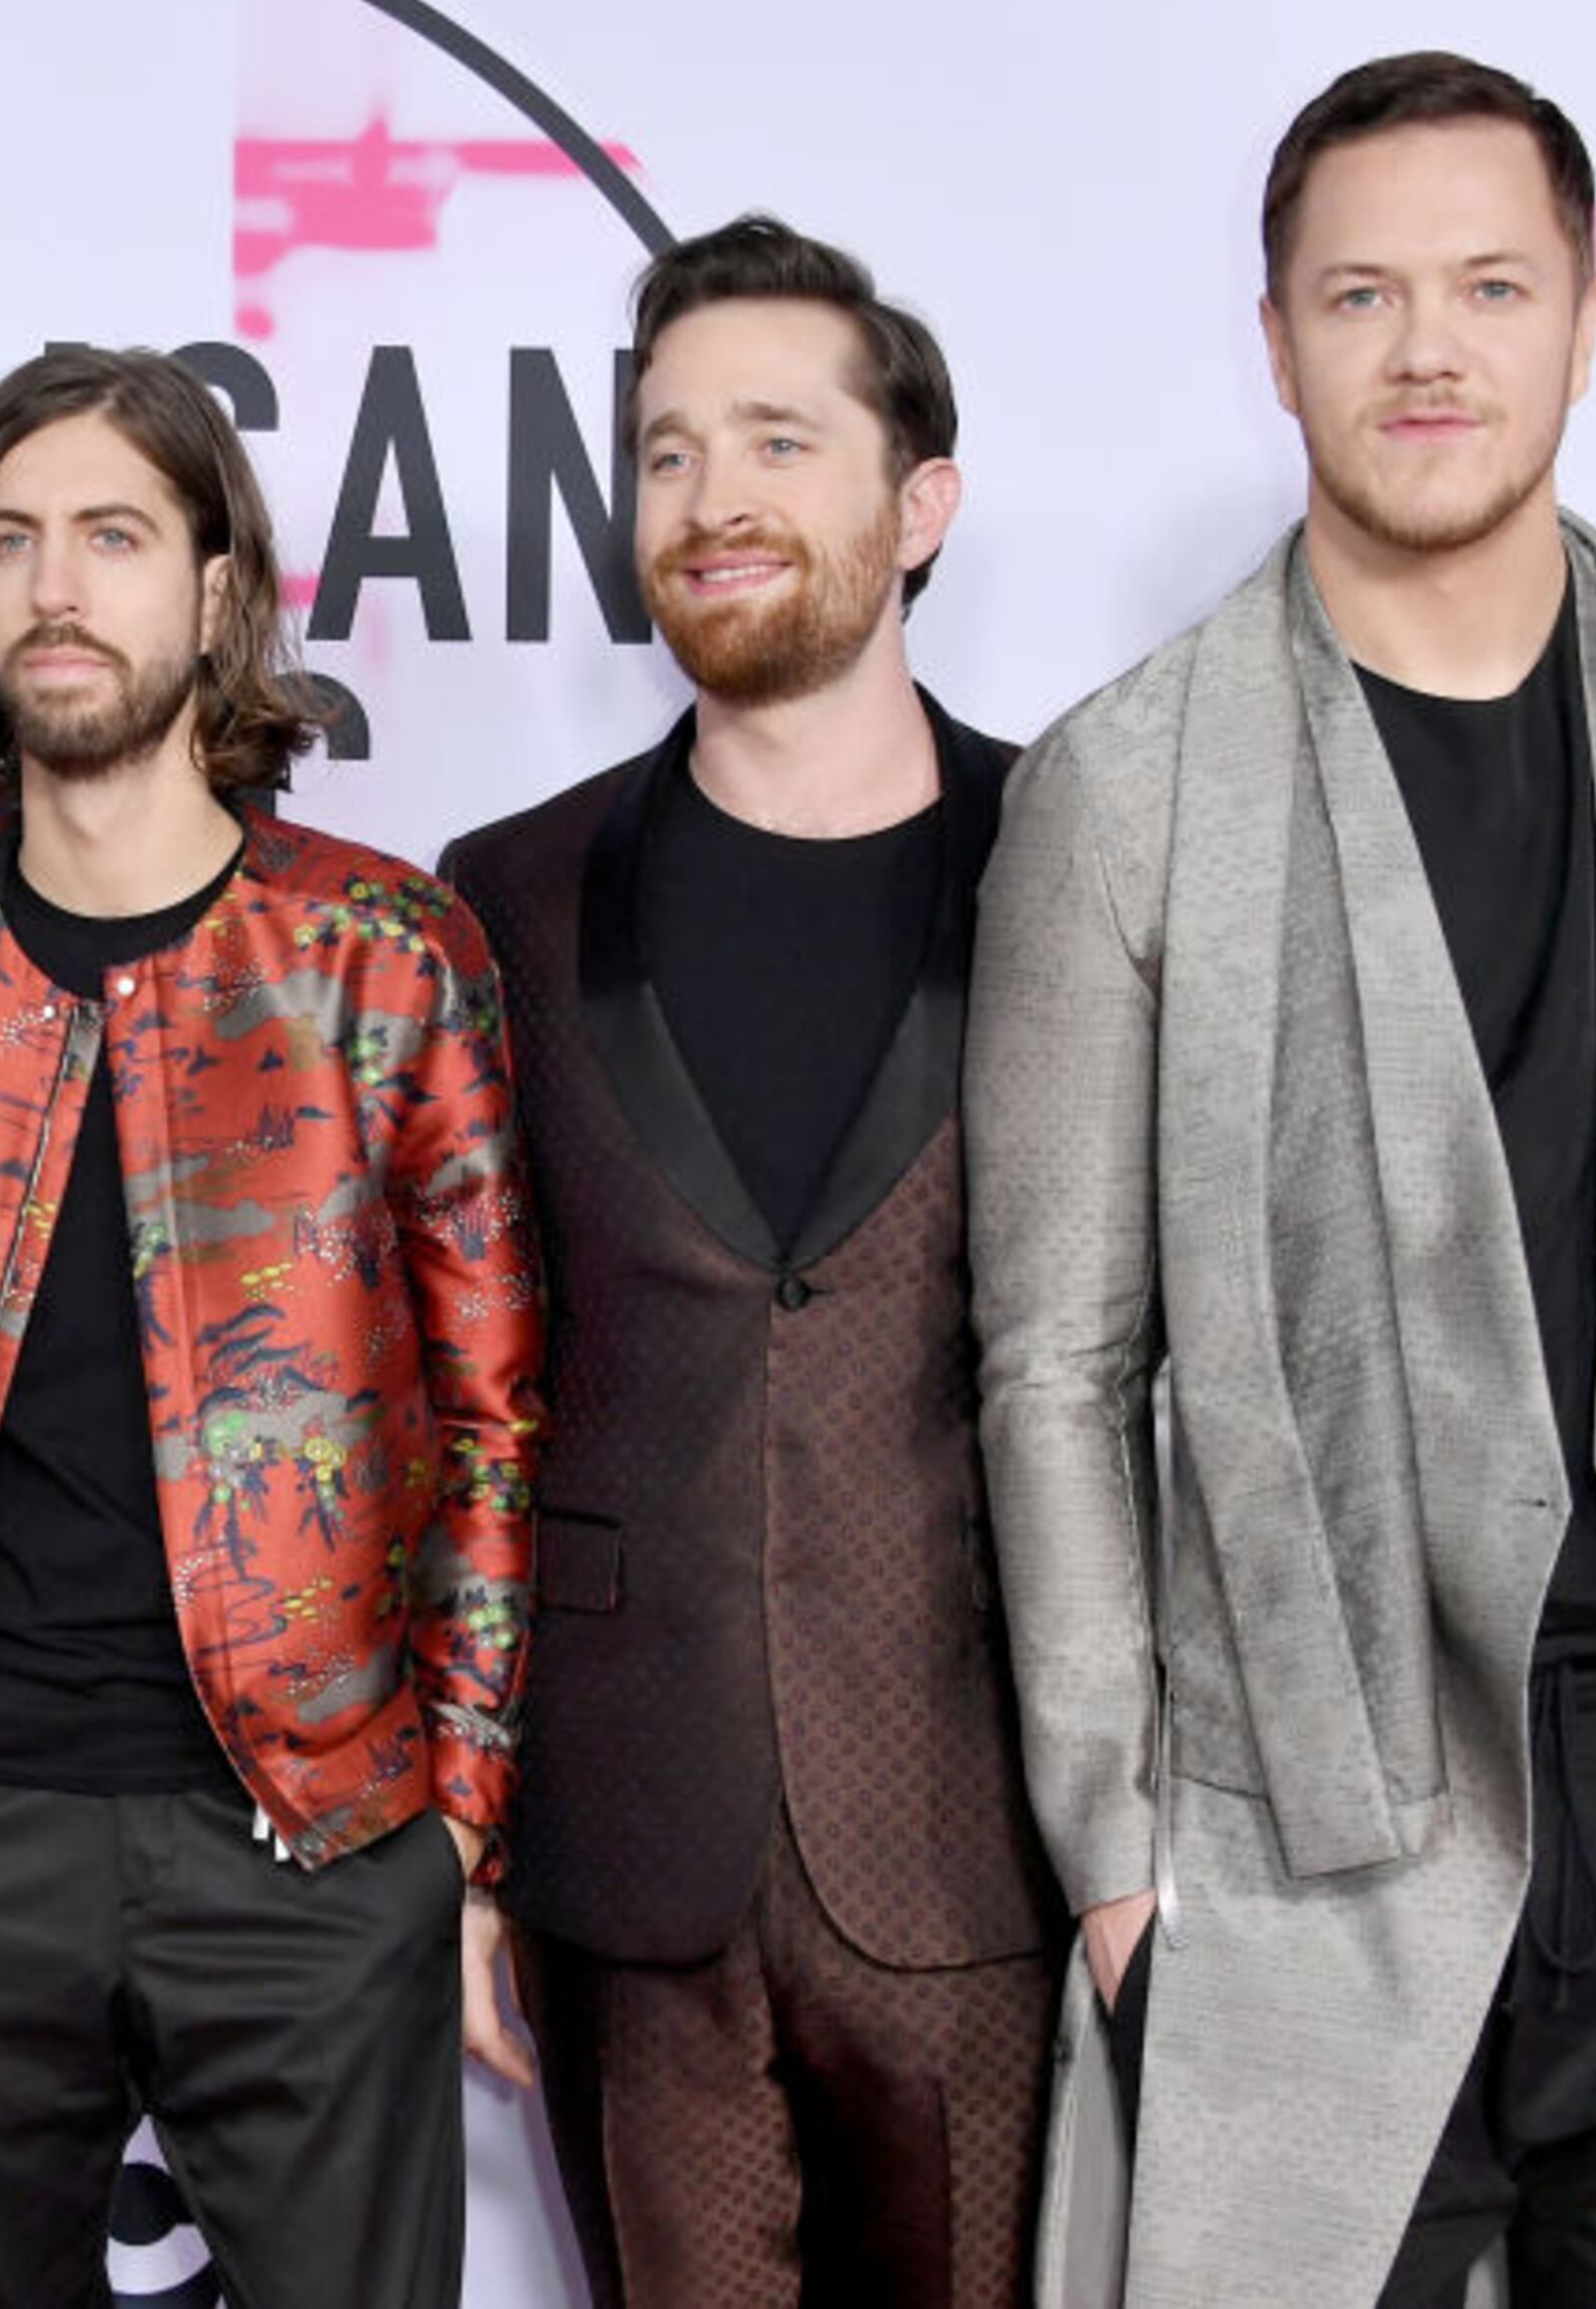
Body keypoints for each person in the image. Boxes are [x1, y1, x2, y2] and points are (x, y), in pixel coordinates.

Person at [969, 49, 1596, 2306]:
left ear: (1586, 318)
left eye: (1489, 285)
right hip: (1310, 1829)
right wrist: (1120, 1851)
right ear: (1276, 343)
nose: (1428, 347)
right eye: (1360, 295)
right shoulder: (1118, 792)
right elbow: (1055, 1360)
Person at [0, 344, 543, 2309]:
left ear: (214, 588)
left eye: (115, 535)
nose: (56, 586)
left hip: (310, 1832)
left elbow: (496, 1419)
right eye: (9, 541)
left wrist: (450, 1828)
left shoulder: (385, 957)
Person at [439, 216, 1062, 2307]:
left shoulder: (1089, 862)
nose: (713, 503)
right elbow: (464, 1405)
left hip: (990, 1838)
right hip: (628, 1848)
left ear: (921, 501)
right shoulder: (508, 896)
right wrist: (456, 1848)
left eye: (781, 441)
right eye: (670, 453)